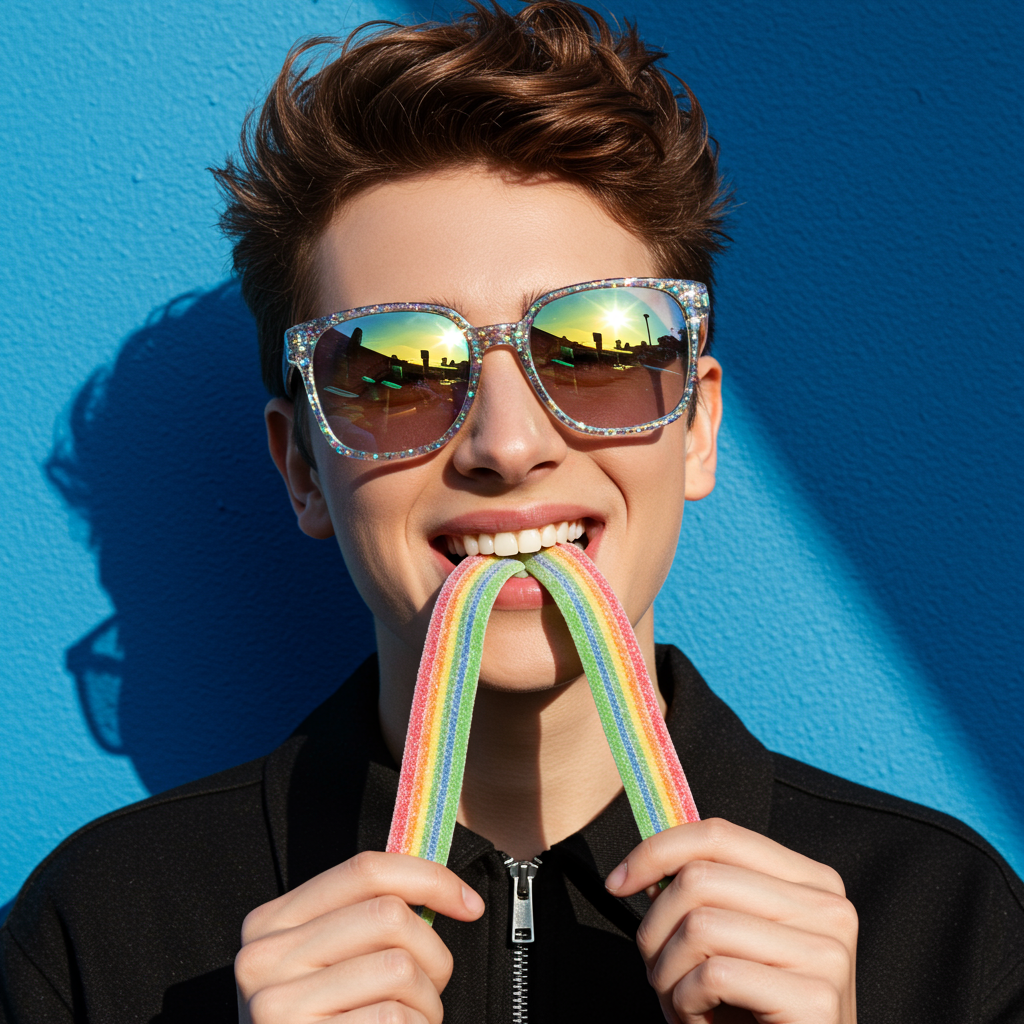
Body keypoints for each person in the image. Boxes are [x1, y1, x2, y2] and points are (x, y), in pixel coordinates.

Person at [2, 3, 1022, 1022]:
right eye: (395, 369)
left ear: (696, 424)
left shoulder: (948, 923)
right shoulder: (95, 942)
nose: (506, 443)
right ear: (302, 469)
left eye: (599, 347)